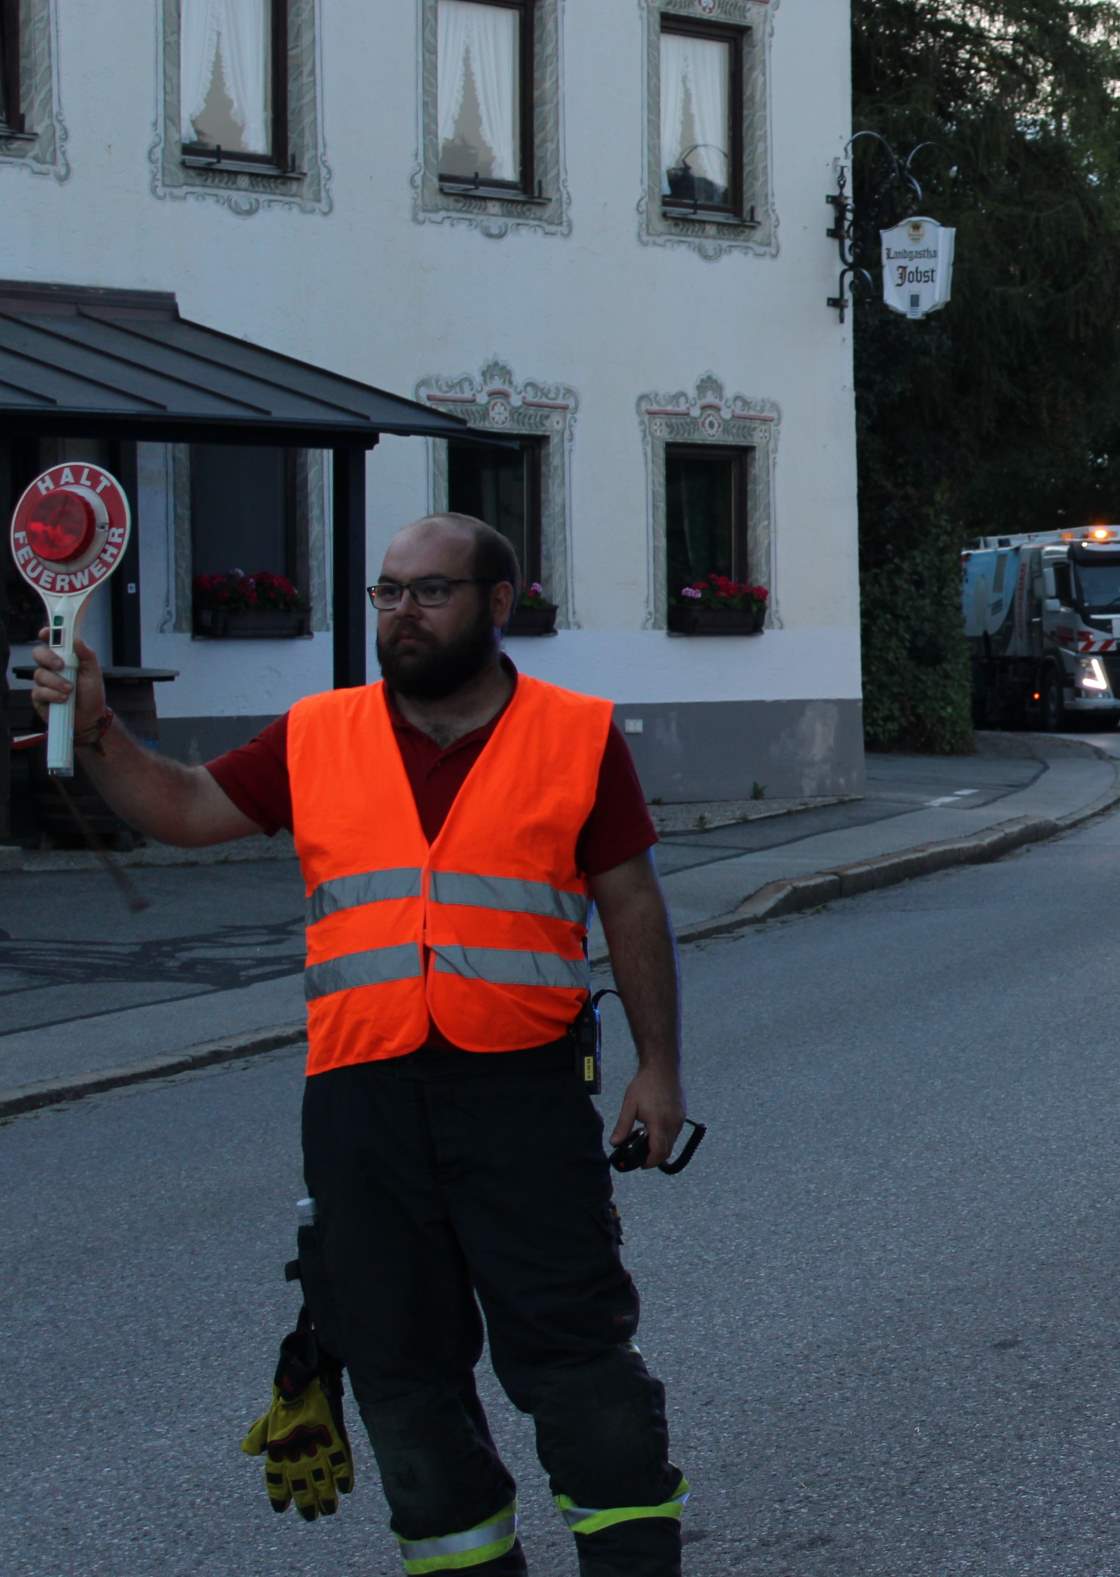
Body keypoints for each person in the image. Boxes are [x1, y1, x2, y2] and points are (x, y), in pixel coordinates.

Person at [30, 514, 690, 1577]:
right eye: (388, 592)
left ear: (497, 603)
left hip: (522, 1097)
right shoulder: (318, 733)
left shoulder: (573, 735)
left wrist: (658, 1066)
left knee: (576, 1358)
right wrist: (99, 727)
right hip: (362, 1103)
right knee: (401, 1372)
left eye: (430, 591)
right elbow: (187, 808)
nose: (402, 613)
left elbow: (632, 900)